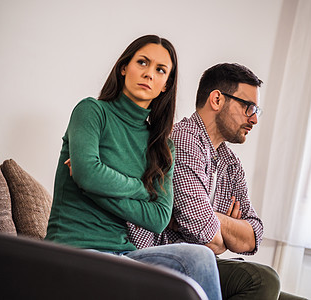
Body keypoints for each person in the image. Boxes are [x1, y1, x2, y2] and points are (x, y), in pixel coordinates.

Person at [45, 35, 222, 300]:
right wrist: (142, 189)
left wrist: (92, 186)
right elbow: (87, 173)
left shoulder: (161, 146)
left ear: (165, 85)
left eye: (160, 70)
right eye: (143, 62)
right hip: (75, 249)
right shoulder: (92, 112)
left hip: (124, 252)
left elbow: (159, 218)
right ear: (124, 67)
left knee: (200, 256)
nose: (149, 74)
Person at [159, 63, 281, 299]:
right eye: (249, 107)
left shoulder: (231, 163)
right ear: (216, 100)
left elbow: (254, 235)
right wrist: (225, 234)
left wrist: (213, 217)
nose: (254, 119)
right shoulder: (183, 141)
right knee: (263, 280)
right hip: (172, 262)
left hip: (202, 264)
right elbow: (207, 237)